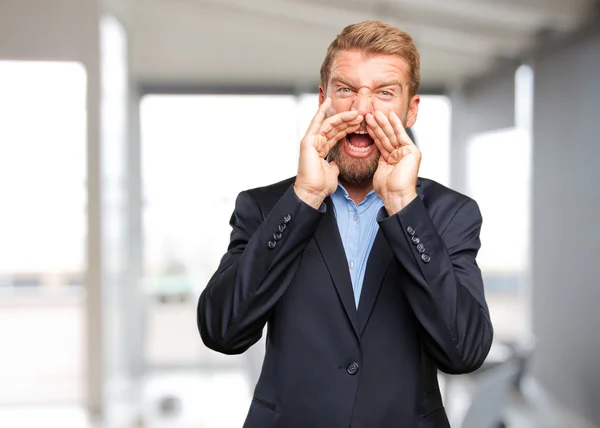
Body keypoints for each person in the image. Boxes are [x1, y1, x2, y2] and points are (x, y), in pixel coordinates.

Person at [197, 20, 493, 428]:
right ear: (324, 99)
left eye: (385, 93)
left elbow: (465, 353)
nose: (361, 110)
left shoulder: (450, 214)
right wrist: (303, 198)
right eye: (346, 89)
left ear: (412, 110)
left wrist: (404, 206)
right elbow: (221, 330)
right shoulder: (265, 207)